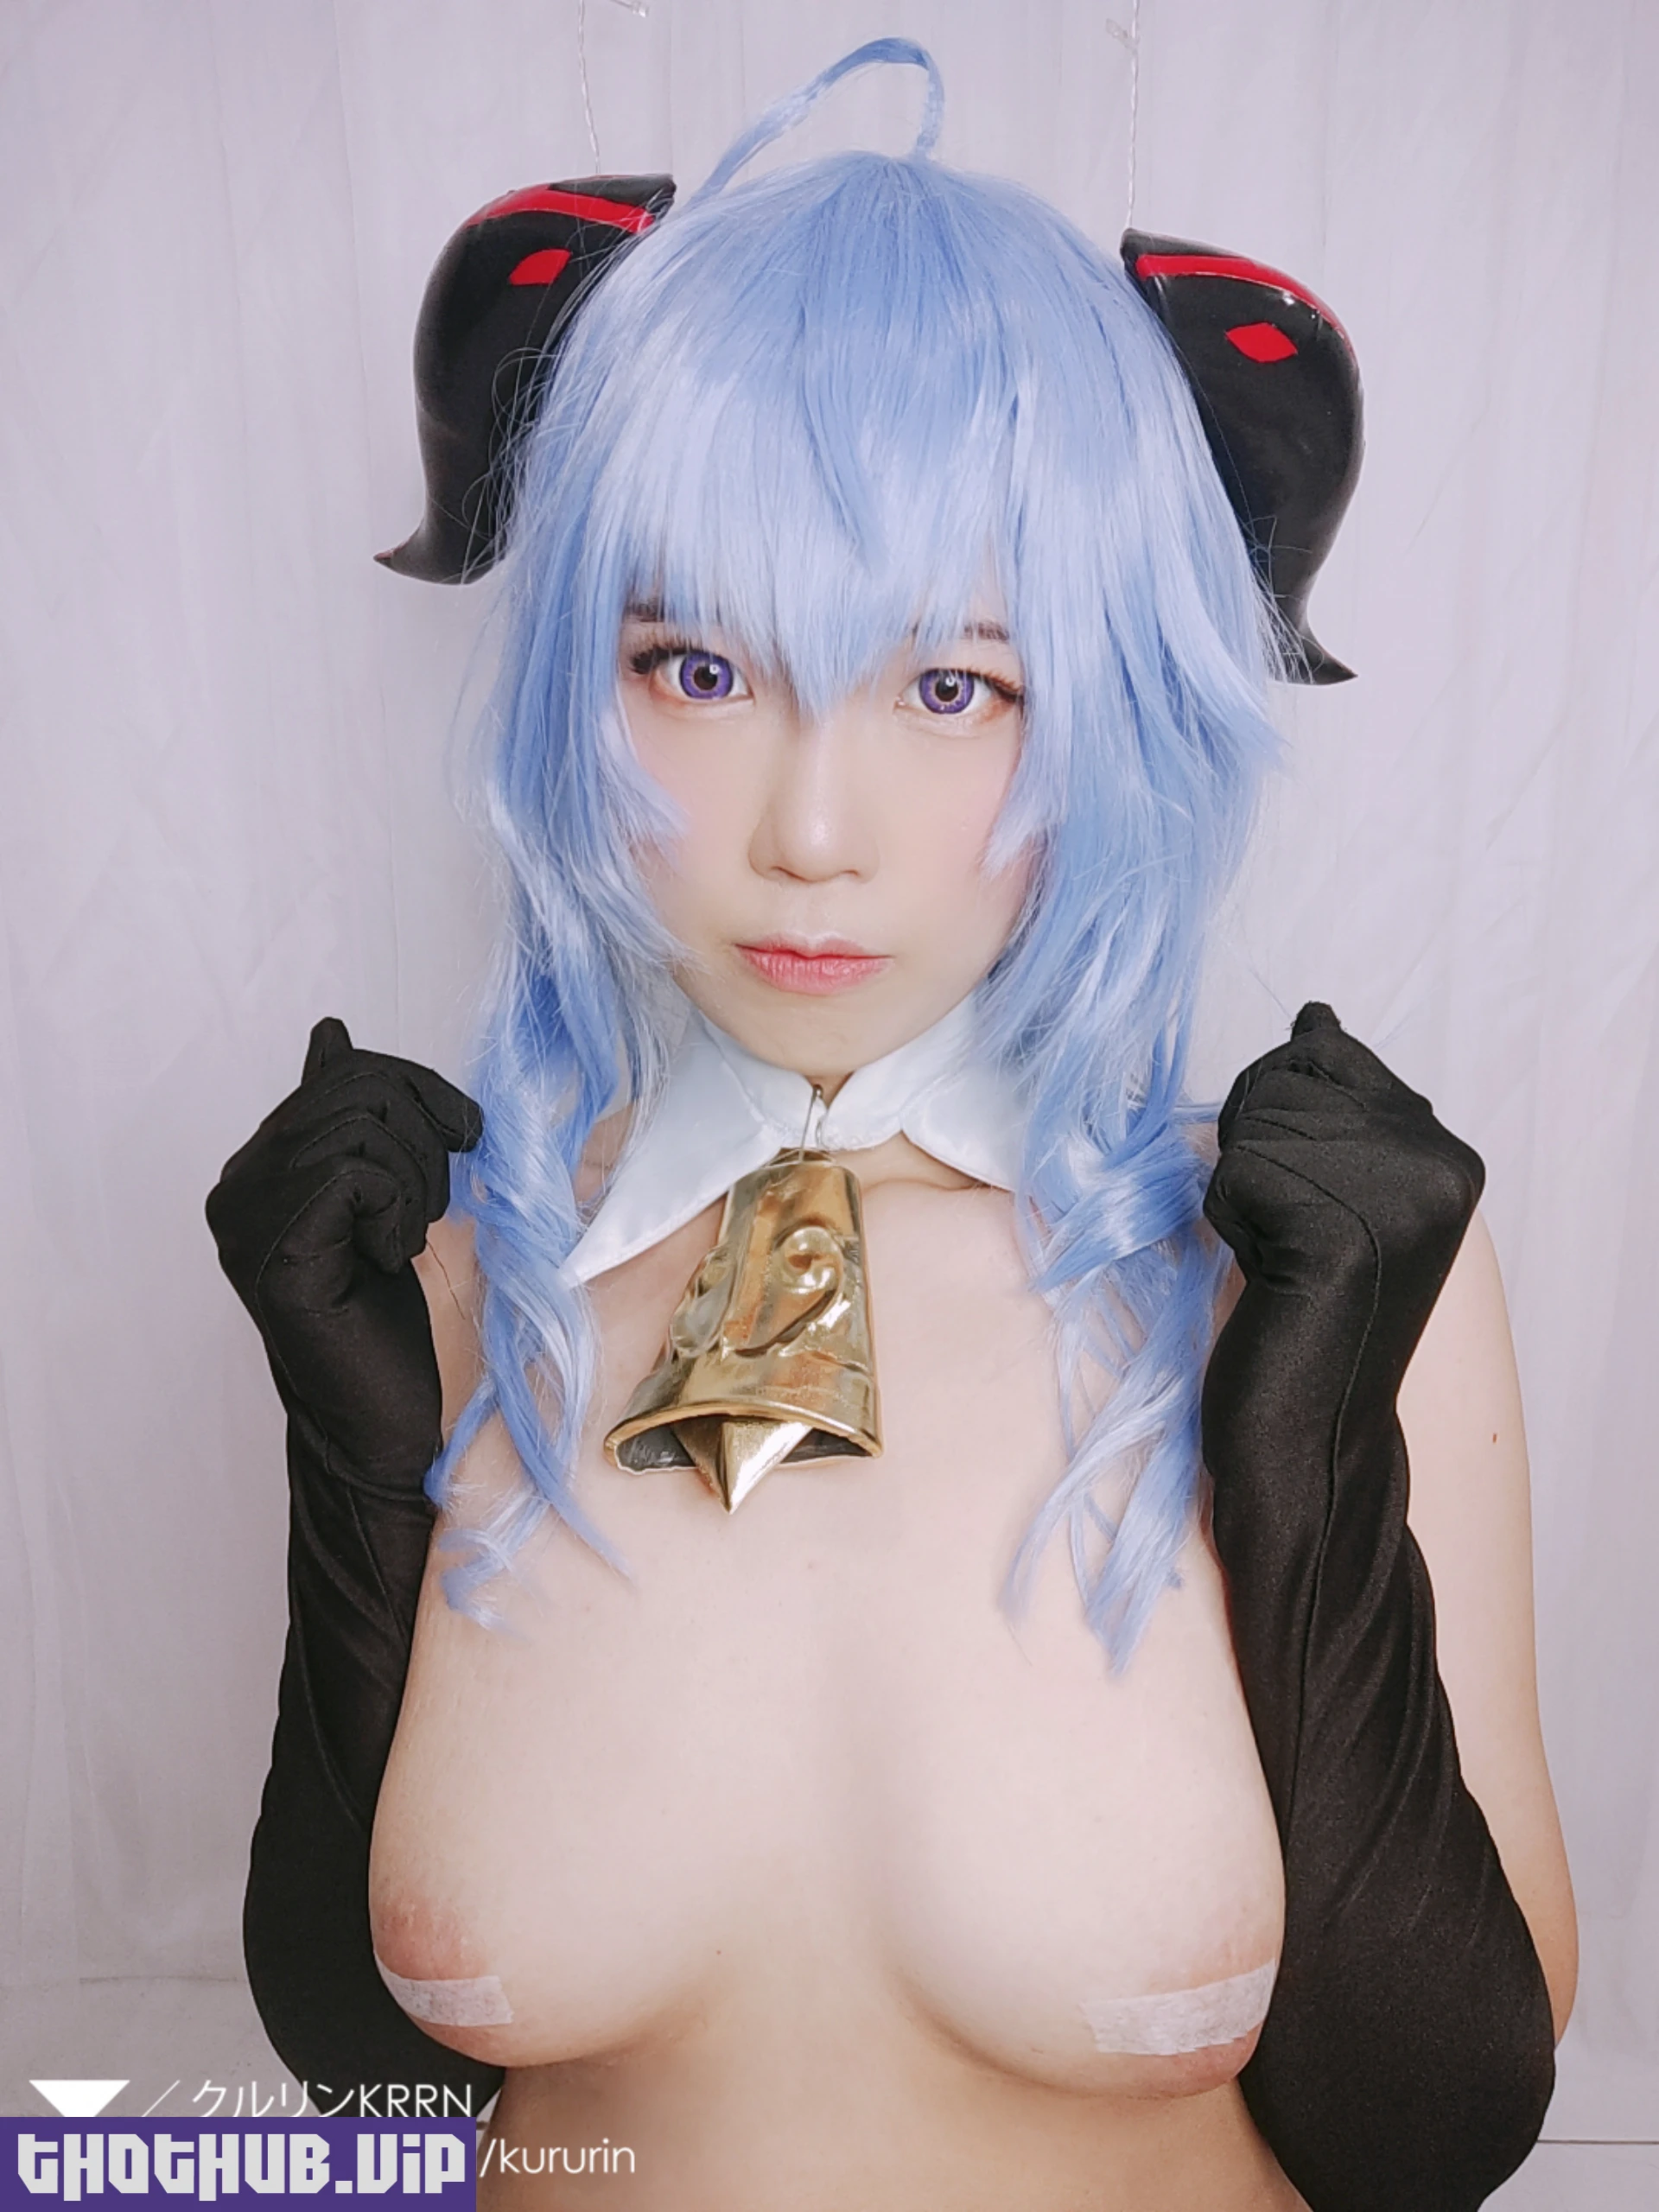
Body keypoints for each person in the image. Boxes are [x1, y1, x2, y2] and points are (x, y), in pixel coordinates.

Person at [208, 41, 1575, 2211]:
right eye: (696, 667)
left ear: (1115, 702)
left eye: (954, 686)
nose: (812, 831)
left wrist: (1308, 1459)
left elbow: (1432, 2135)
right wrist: (360, 1449)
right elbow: (379, 2082)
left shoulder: (1316, 1268)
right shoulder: (456, 1263)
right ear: (575, 677)